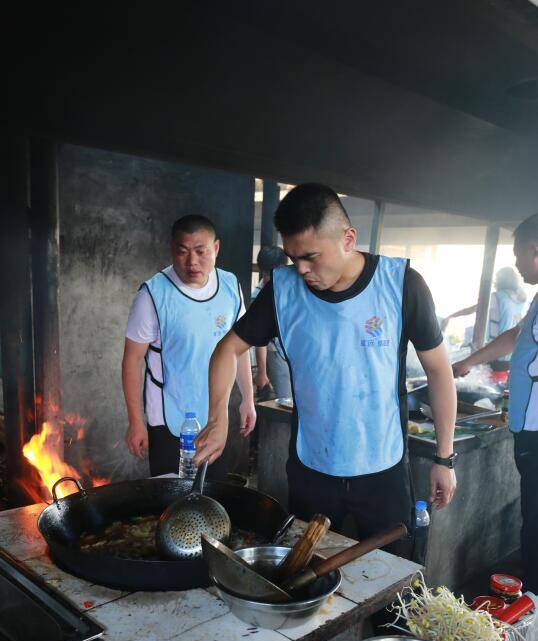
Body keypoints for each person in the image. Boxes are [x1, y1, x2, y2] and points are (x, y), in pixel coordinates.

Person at [195, 184, 457, 547]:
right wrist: (218, 416)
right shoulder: (283, 290)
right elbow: (226, 350)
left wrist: (445, 457)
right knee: (306, 573)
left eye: (311, 257)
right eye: (292, 257)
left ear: (348, 239)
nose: (301, 269)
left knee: (391, 584)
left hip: (382, 465)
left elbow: (440, 371)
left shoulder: (400, 284)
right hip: (311, 467)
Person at [122, 214, 256, 477]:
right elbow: (132, 360)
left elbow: (238, 349)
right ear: (172, 250)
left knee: (213, 495)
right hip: (168, 416)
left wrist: (247, 400)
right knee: (171, 500)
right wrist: (136, 422)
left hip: (215, 415)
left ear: (215, 248)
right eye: (182, 252)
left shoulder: (230, 286)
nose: (192, 261)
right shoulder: (153, 295)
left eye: (200, 251)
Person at [452, 213, 538, 592]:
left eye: (519, 256)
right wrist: (469, 361)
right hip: (528, 428)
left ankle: (531, 606)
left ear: (535, 251)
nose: (516, 266)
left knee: (536, 520)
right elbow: (516, 337)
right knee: (531, 516)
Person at [441, 266, 527, 381]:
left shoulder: (496, 297)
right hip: (512, 355)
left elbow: (475, 309)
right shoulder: (520, 300)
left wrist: (450, 316)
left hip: (496, 353)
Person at [252, 246, 293, 400]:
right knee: (283, 403)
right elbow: (260, 338)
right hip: (275, 353)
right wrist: (262, 372)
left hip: (291, 351)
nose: (271, 276)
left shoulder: (288, 286)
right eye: (268, 272)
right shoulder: (259, 295)